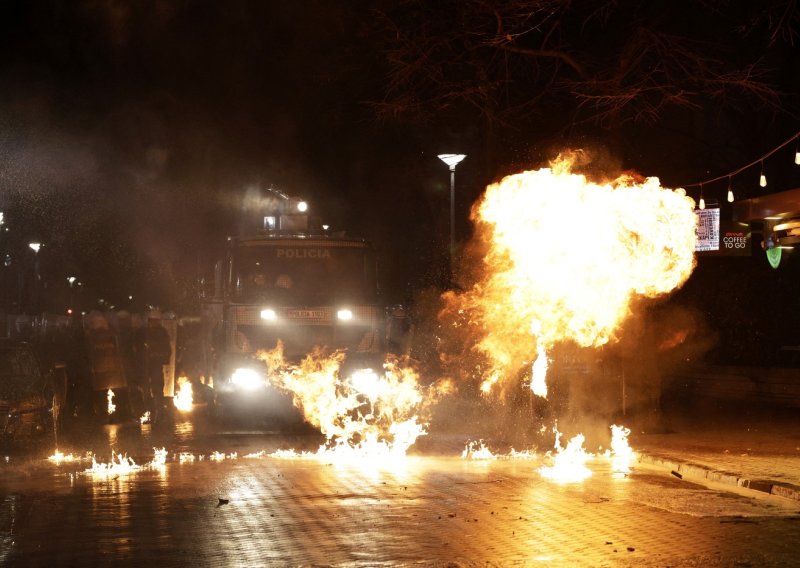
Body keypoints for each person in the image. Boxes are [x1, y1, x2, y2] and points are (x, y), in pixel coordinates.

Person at [141, 310, 172, 424]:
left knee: (156, 390)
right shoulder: (146, 332)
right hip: (147, 366)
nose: (152, 323)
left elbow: (166, 351)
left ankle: (158, 414)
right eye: (151, 320)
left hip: (154, 367)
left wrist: (155, 356)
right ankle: (152, 414)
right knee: (148, 391)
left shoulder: (161, 333)